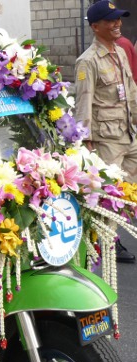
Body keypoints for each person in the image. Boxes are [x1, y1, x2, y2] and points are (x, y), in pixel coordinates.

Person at [75, 0, 137, 263]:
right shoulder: (87, 61)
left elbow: (131, 91)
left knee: (129, 189)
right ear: (95, 26)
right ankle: (109, 242)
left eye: (118, 19)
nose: (117, 24)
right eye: (111, 20)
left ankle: (113, 234)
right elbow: (83, 103)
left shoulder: (120, 52)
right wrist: (85, 143)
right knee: (108, 193)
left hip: (129, 133)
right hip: (106, 138)